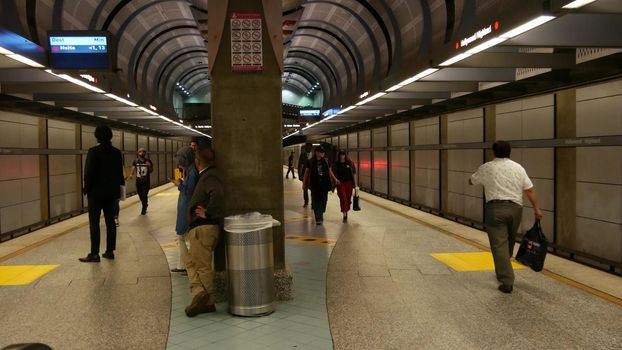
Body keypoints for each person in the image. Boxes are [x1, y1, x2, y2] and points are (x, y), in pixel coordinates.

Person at [469, 140, 543, 294]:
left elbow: (472, 181)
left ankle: (507, 280)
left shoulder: (487, 167)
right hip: (516, 209)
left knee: (499, 244)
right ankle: (505, 267)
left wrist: (472, 180)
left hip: (495, 210)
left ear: (494, 152)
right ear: (510, 152)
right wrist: (537, 209)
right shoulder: (518, 168)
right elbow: (529, 190)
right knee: (508, 241)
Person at [184, 144, 224, 317]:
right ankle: (200, 292)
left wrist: (207, 213)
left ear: (198, 161)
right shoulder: (208, 175)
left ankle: (206, 301)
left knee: (202, 267)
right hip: (202, 229)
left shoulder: (209, 176)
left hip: (204, 229)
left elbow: (219, 195)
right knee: (190, 262)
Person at [79, 125, 124, 262]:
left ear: (97, 136)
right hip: (111, 194)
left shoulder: (93, 151)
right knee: (110, 222)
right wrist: (119, 192)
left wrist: (86, 188)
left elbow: (88, 173)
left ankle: (94, 253)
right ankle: (110, 251)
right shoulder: (116, 152)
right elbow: (119, 174)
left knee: (94, 223)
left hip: (95, 194)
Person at [170, 146, 199, 275]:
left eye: (181, 160)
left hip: (187, 208)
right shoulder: (190, 170)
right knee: (183, 237)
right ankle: (183, 264)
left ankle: (188, 265)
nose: (179, 163)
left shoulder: (192, 172)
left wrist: (179, 184)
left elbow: (189, 191)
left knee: (182, 237)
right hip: (184, 207)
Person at [303, 145, 339, 225]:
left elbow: (330, 171)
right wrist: (304, 184)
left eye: (323, 152)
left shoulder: (326, 161)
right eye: (320, 152)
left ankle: (321, 212)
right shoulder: (310, 161)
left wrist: (335, 179)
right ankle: (318, 218)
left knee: (324, 201)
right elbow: (306, 173)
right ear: (316, 152)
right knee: (316, 201)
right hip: (314, 184)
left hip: (324, 184)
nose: (322, 154)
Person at [333, 150, 356, 223]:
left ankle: (346, 210)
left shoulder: (350, 163)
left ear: (345, 155)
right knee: (343, 198)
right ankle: (344, 214)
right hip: (340, 183)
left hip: (349, 183)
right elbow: (333, 173)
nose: (342, 156)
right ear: (338, 156)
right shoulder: (336, 164)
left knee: (348, 199)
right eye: (341, 155)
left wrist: (355, 184)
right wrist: (335, 181)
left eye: (343, 155)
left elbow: (354, 173)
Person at [128, 147, 153, 215]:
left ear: (145, 153)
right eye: (140, 151)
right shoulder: (135, 161)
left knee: (144, 195)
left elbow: (151, 171)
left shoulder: (148, 161)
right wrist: (131, 174)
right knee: (140, 195)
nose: (141, 153)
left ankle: (144, 208)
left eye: (143, 151)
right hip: (138, 181)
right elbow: (133, 168)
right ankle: (145, 204)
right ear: (138, 153)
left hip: (146, 181)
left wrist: (149, 166)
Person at [297, 143, 313, 207]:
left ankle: (313, 203)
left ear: (311, 148)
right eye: (307, 147)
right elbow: (300, 165)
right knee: (305, 189)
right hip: (305, 175)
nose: (308, 148)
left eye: (310, 147)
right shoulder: (302, 155)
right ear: (306, 148)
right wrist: (299, 175)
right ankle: (306, 202)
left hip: (312, 175)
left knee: (313, 189)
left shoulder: (314, 155)